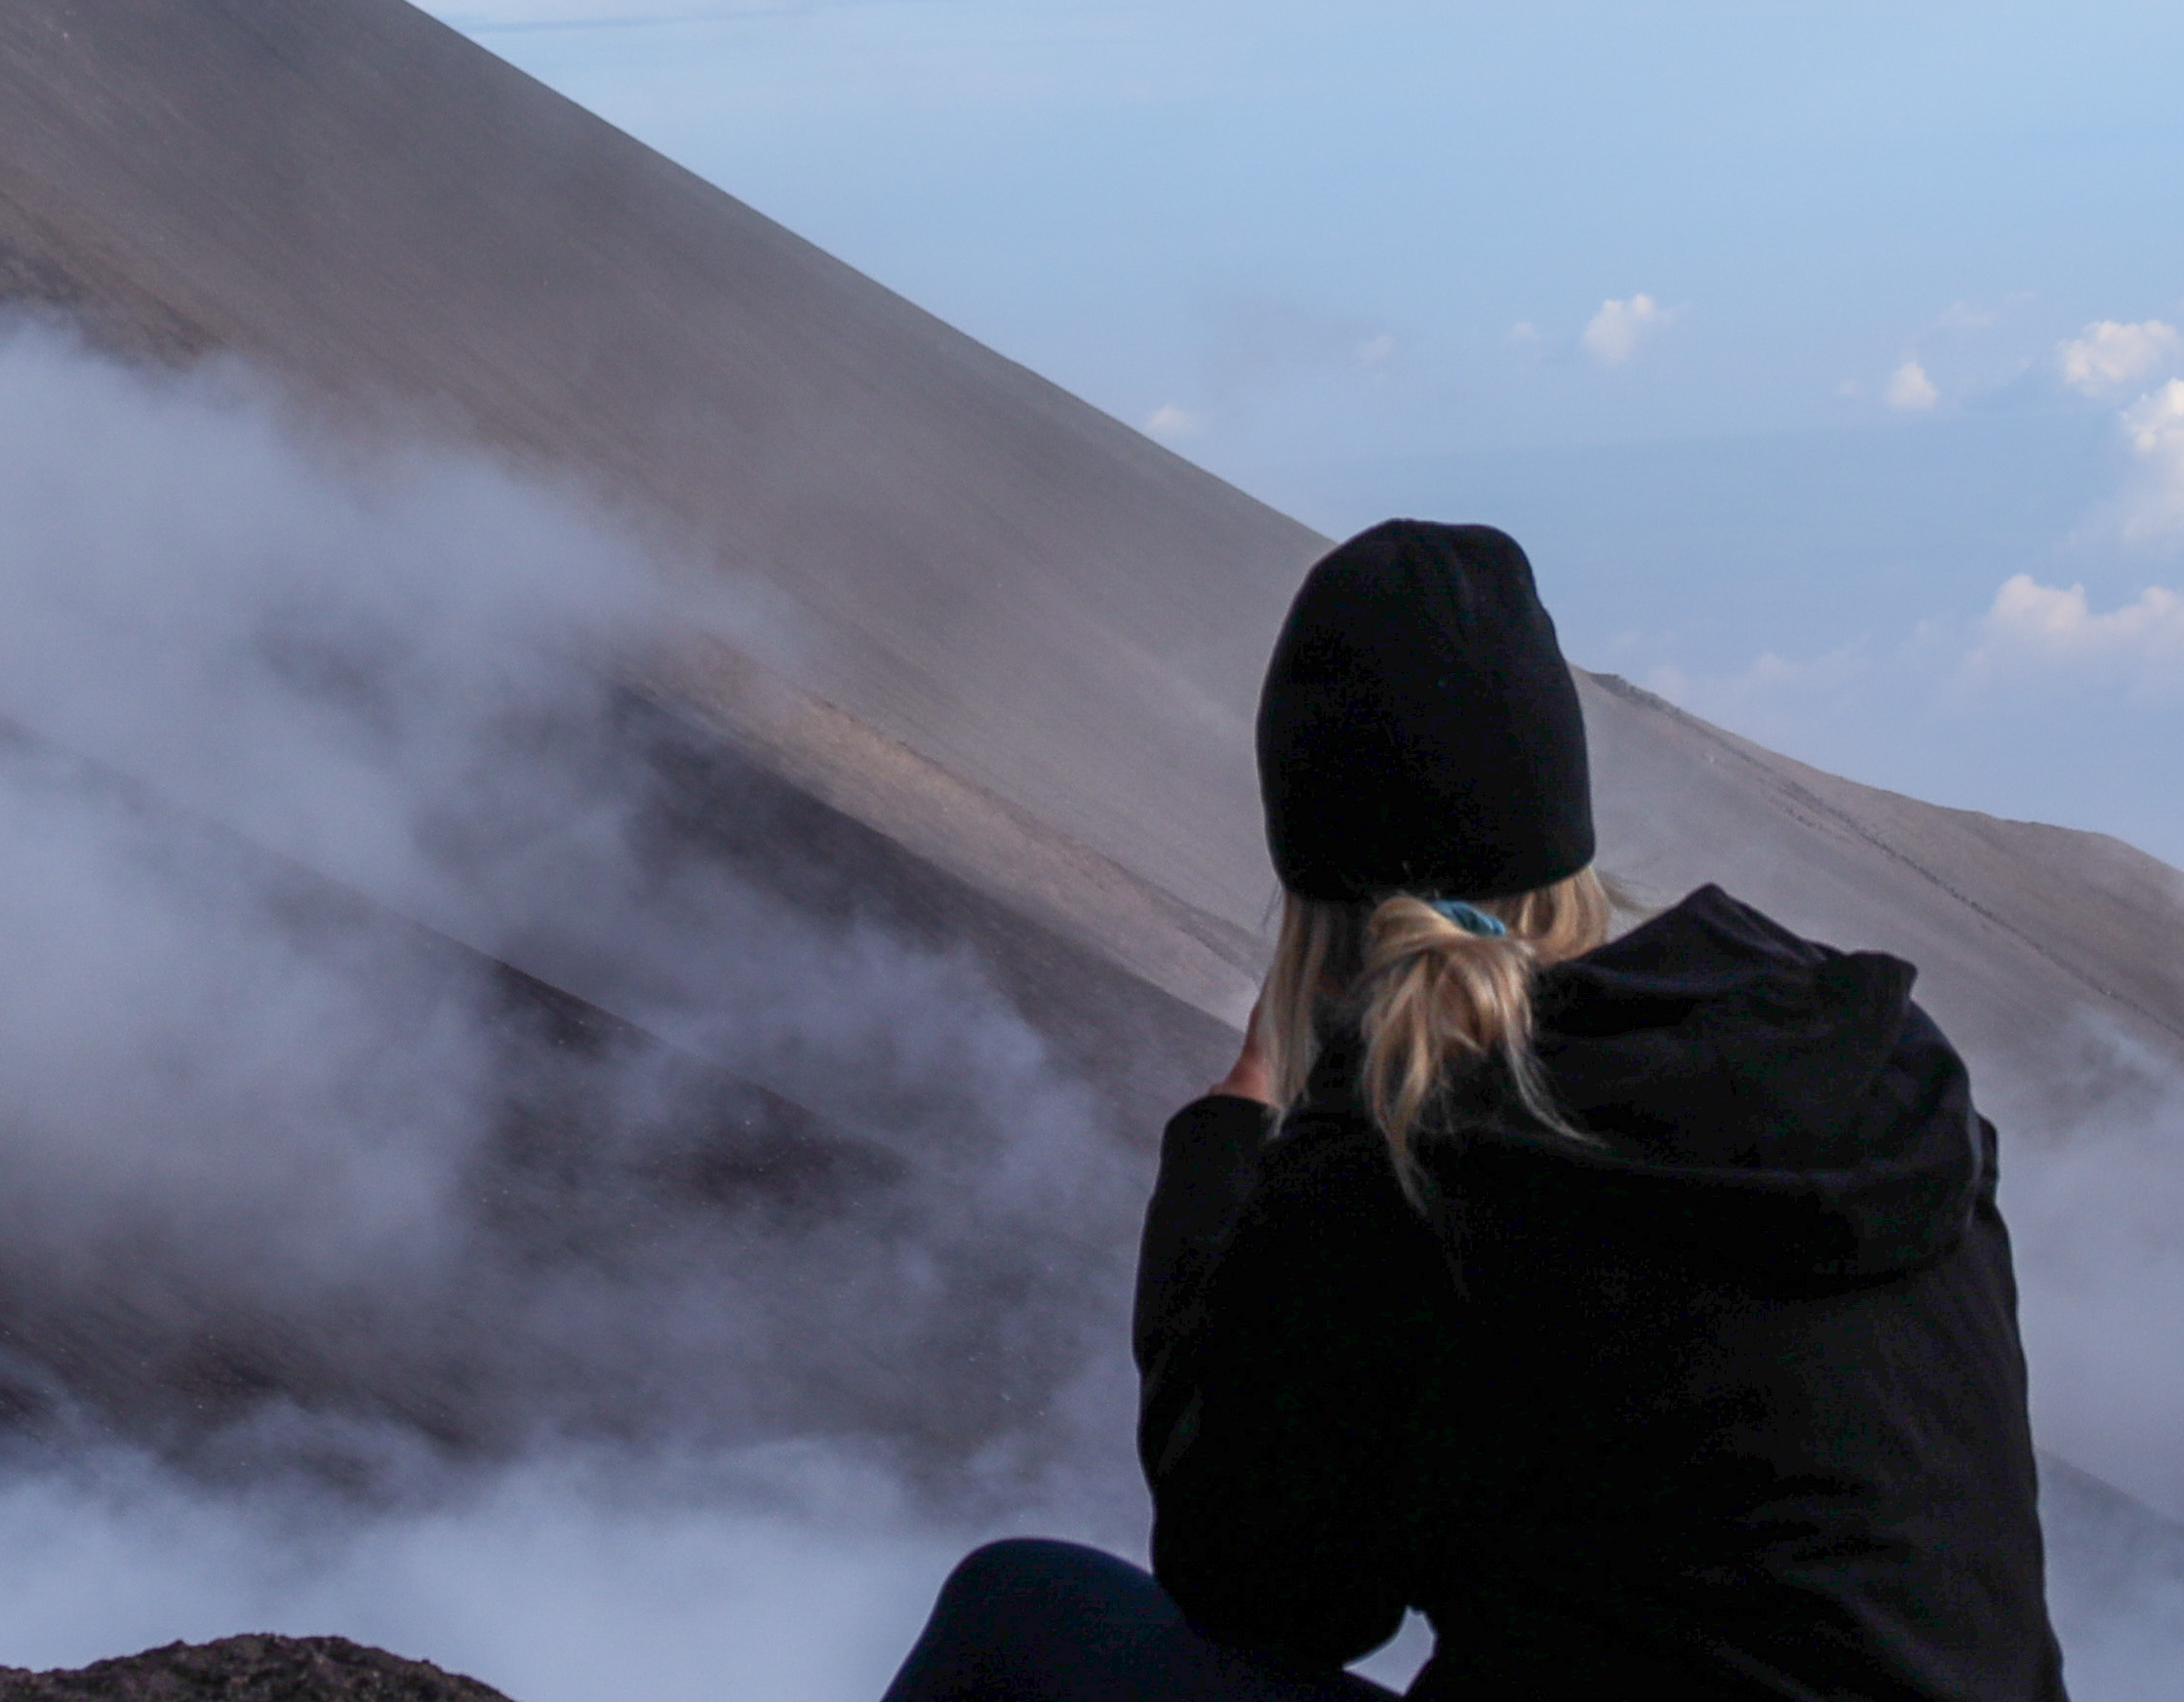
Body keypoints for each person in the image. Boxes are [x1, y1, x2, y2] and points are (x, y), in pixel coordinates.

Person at [886, 523, 2067, 1702]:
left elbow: (1264, 1585)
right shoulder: (1881, 1066)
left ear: (1320, 900)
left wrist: (1229, 1134)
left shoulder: (1416, 1146)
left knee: (1021, 1615)